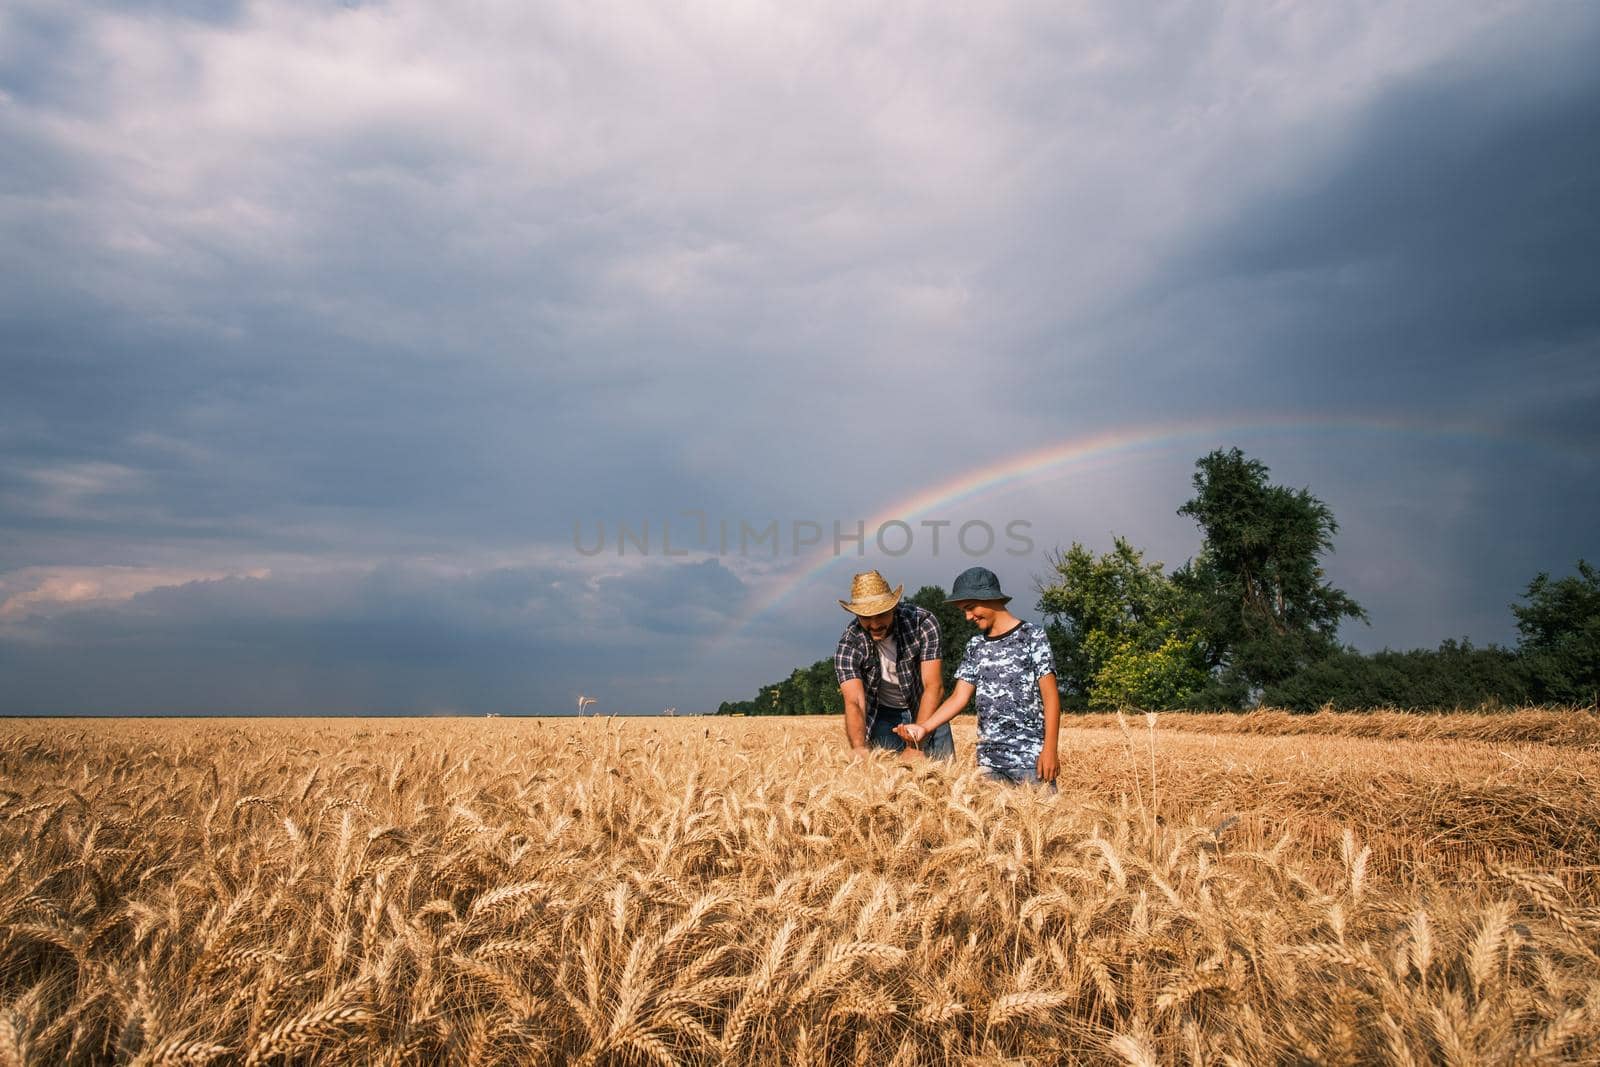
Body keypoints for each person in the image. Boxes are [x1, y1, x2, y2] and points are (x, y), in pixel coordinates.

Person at [896, 566, 1059, 786]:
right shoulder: (976, 646)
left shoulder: (1033, 636)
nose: (967, 616)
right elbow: (958, 697)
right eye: (964, 610)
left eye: (970, 608)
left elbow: (1050, 697)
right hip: (988, 765)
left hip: (1031, 760)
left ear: (990, 598)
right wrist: (924, 728)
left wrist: (1050, 750)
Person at [833, 570, 955, 760]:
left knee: (944, 776)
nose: (874, 624)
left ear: (894, 606)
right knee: (886, 778)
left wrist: (916, 744)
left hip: (925, 708)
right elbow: (854, 700)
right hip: (883, 715)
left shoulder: (922, 623)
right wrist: (859, 748)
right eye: (866, 617)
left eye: (880, 614)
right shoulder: (849, 642)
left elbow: (934, 687)